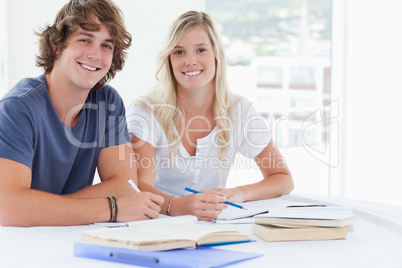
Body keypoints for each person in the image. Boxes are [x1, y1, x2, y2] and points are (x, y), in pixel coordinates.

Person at [0, 0, 164, 227]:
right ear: (57, 45)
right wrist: (112, 208)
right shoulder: (16, 108)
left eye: (106, 45)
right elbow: (9, 208)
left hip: (72, 237)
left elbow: (125, 186)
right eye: (85, 39)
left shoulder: (108, 102)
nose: (95, 55)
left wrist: (41, 209)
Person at [127, 11, 294, 221]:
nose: (190, 61)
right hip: (155, 222)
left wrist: (238, 193)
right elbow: (141, 186)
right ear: (169, 60)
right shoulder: (145, 110)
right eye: (179, 52)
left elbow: (283, 179)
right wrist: (178, 206)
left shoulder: (239, 110)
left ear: (216, 54)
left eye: (201, 50)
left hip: (211, 228)